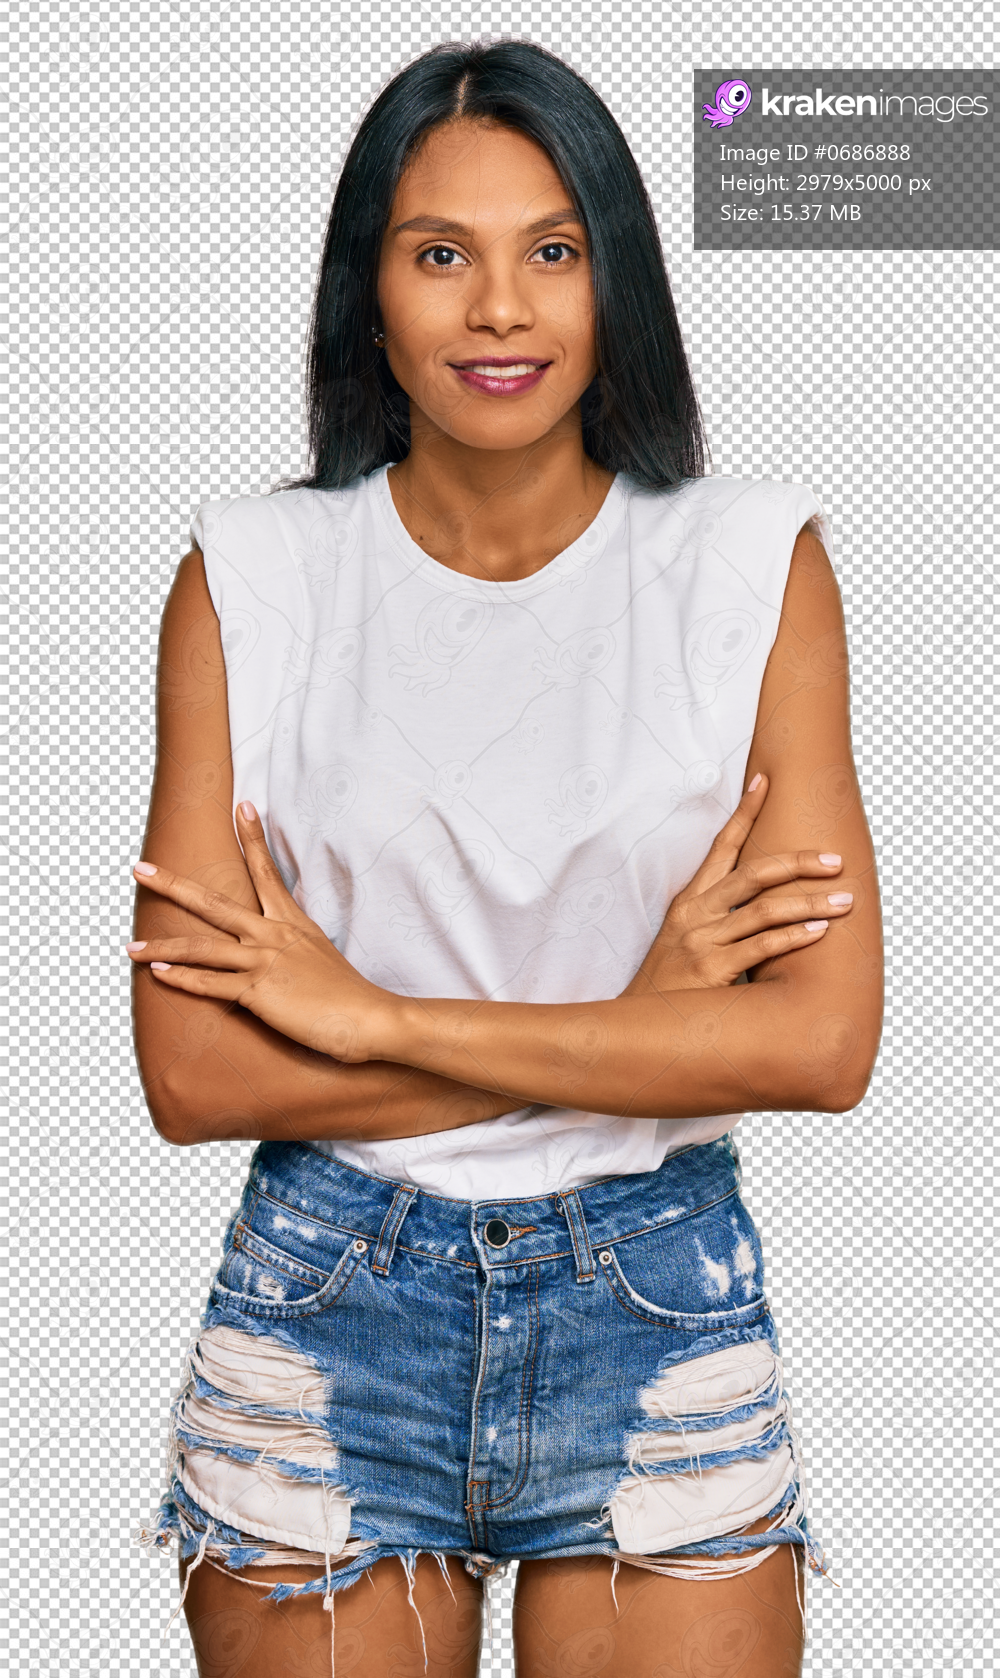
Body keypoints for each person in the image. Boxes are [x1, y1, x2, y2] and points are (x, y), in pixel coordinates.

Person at [129, 39, 883, 1678]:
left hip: (654, 1293)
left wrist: (368, 1015)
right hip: (330, 1298)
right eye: (439, 254)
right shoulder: (250, 581)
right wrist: (637, 1021)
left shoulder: (748, 565)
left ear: (614, 275)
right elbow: (190, 1070)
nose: (499, 310)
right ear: (370, 292)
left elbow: (820, 1043)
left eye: (552, 249)